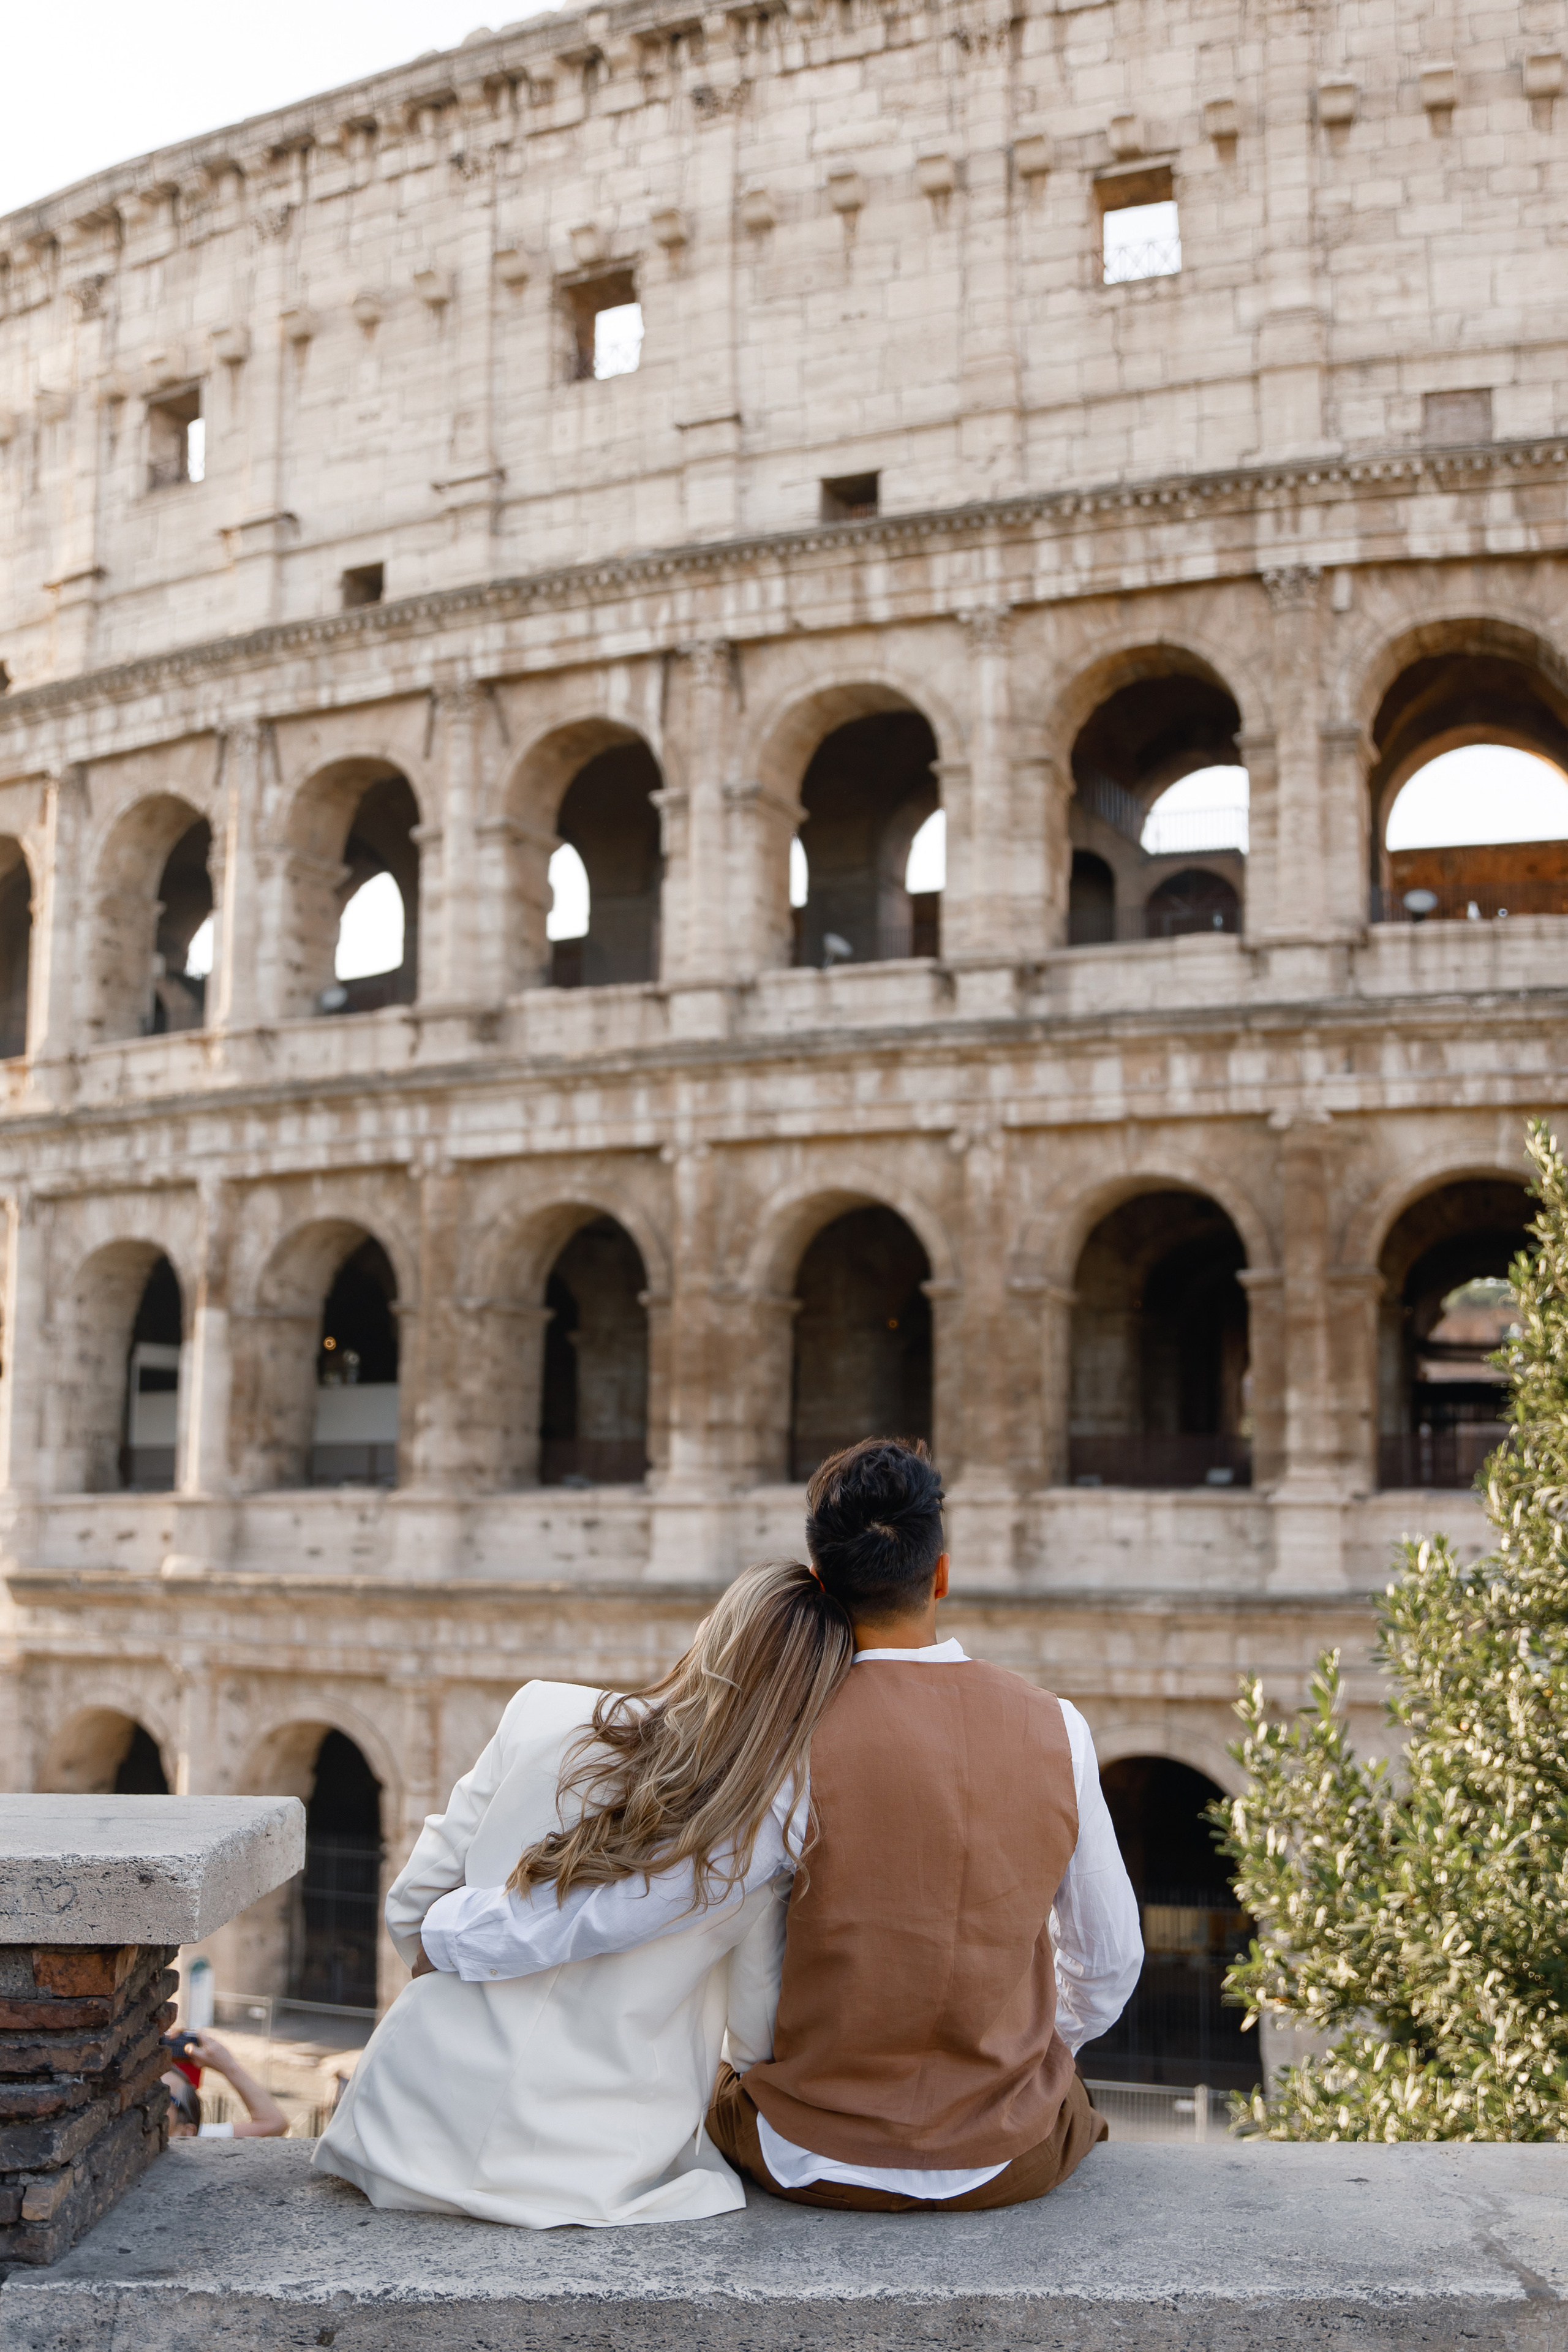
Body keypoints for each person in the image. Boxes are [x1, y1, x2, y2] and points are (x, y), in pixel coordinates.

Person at [319, 1438, 1141, 2225]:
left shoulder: (790, 1744)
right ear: (943, 1575)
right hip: (1005, 2157)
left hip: (814, 2158)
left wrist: (449, 1933)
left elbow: (644, 1903)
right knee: (1068, 2101)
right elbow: (1109, 1966)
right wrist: (1025, 2051)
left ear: (820, 1579)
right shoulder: (1060, 1729)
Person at [312, 1557, 854, 2227]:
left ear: (712, 1632)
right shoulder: (760, 1845)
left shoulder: (540, 1710)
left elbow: (413, 1904)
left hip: (404, 2127)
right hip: (594, 2169)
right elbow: (752, 2039)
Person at [161, 2029, 288, 2139]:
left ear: (187, 2133)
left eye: (163, 2095)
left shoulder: (199, 2141)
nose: (151, 2097)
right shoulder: (185, 2134)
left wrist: (228, 2066)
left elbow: (274, 2124)